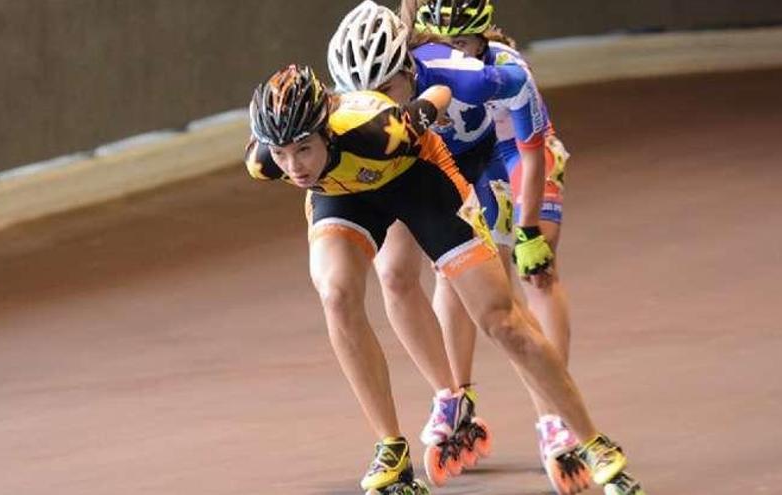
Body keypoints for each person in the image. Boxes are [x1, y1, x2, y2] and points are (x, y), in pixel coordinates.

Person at [246, 63, 633, 494]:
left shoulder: (378, 129)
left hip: (419, 180)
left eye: (302, 149)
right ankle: (390, 448)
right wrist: (293, 157)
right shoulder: (265, 161)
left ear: (326, 131)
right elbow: (289, 159)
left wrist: (433, 111)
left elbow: (442, 93)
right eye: (282, 154)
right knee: (335, 294)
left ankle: (595, 443)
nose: (293, 166)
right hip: (342, 197)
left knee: (501, 321)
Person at [409, 1, 602, 493]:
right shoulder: (413, 60)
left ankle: (553, 414)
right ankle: (458, 396)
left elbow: (531, 152)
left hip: (513, 148)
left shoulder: (508, 71)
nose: (455, 56)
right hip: (461, 156)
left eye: (465, 46)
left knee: (536, 270)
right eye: (445, 47)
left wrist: (530, 229)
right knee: (455, 268)